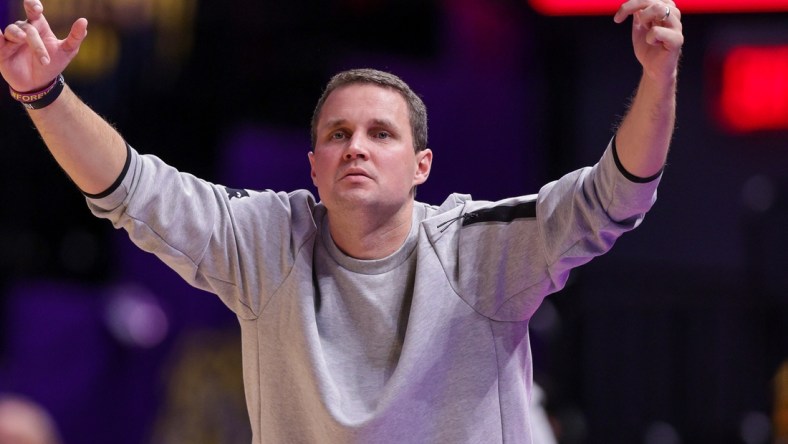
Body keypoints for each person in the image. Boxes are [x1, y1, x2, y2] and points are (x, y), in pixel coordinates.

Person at [0, 0, 683, 442]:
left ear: (422, 165)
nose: (356, 145)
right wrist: (44, 93)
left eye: (380, 134)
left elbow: (614, 196)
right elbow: (130, 187)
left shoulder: (481, 249)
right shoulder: (266, 244)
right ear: (314, 165)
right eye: (338, 134)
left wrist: (659, 76)